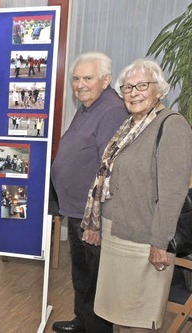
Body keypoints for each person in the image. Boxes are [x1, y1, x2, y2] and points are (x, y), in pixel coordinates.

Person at [82, 59, 192, 332]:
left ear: (159, 89)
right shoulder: (129, 126)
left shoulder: (171, 125)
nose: (133, 92)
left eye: (142, 85)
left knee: (138, 321)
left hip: (145, 242)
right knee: (119, 318)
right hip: (117, 236)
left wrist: (159, 243)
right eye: (127, 87)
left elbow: (172, 192)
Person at [50, 52, 128, 333]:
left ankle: (95, 328)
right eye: (76, 78)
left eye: (87, 78)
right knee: (81, 273)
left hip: (91, 213)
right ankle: (82, 322)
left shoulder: (111, 111)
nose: (80, 84)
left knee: (96, 278)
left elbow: (109, 170)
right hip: (75, 209)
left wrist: (95, 219)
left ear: (106, 81)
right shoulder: (88, 106)